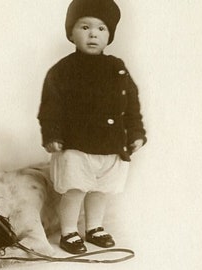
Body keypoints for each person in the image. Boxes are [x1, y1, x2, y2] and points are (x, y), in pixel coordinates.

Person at [38, 0, 147, 254]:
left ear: (109, 36)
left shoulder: (117, 68)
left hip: (110, 145)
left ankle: (94, 227)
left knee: (100, 190)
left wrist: (136, 133)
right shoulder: (62, 71)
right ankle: (68, 232)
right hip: (76, 145)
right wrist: (52, 135)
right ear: (71, 33)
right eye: (85, 27)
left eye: (101, 29)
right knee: (75, 189)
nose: (93, 34)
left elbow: (130, 103)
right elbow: (50, 107)